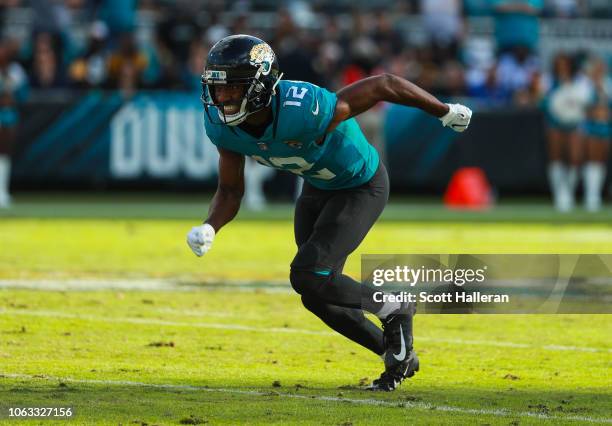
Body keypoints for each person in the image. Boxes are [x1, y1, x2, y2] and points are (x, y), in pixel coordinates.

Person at [186, 35, 471, 391]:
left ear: (260, 85)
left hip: (360, 185)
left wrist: (442, 111)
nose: (222, 99)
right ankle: (396, 353)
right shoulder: (221, 126)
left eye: (232, 89)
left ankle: (395, 305)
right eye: (217, 89)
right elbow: (230, 190)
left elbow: (384, 85)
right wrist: (211, 226)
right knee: (316, 294)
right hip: (318, 189)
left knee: (307, 274)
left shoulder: (303, 108)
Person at [581, 56, 611, 211]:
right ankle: (591, 195)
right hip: (590, 128)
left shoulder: (608, 84)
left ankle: (597, 194)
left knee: (600, 160)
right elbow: (583, 106)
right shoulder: (585, 85)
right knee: (592, 158)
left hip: (605, 128)